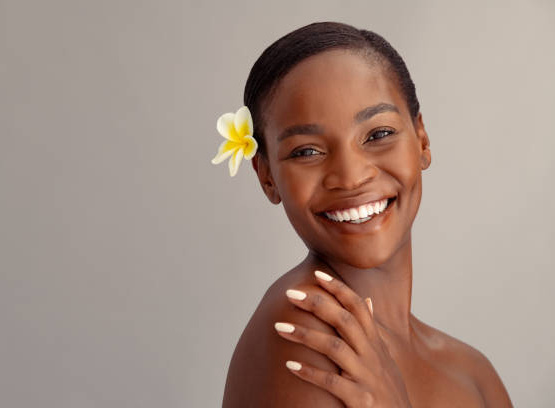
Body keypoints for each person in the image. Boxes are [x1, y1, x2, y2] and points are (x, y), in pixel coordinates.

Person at [219, 22, 513, 407]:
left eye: (378, 134)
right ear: (267, 176)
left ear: (421, 139)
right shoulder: (308, 338)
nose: (351, 177)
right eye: (307, 151)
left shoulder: (473, 372)